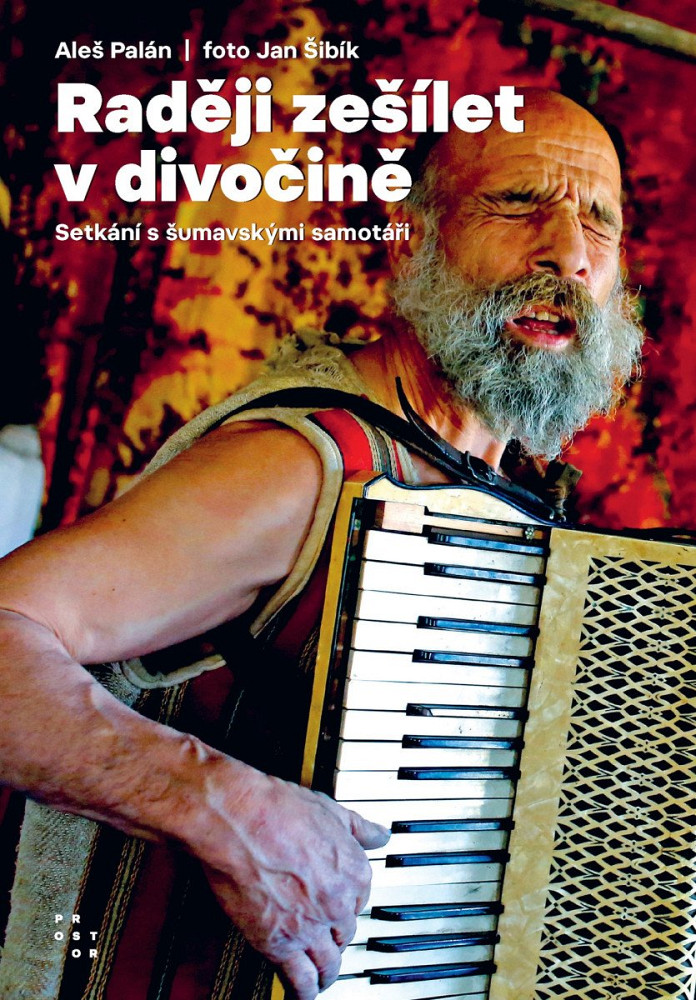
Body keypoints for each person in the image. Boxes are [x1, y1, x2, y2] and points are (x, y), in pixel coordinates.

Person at [0, 89, 643, 1000]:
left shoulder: (516, 496)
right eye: (517, 203)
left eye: (599, 221)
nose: (568, 252)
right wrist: (212, 802)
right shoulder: (305, 467)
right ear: (411, 237)